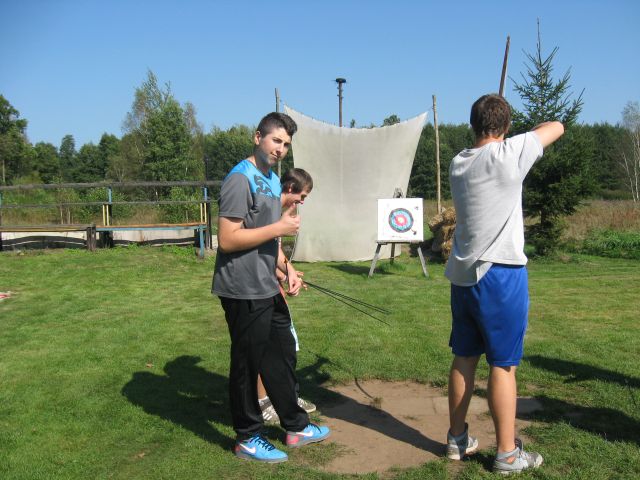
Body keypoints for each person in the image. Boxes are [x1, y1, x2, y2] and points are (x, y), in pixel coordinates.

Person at [444, 94, 564, 475]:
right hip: (501, 274)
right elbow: (556, 127)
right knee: (503, 364)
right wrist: (514, 136)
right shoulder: (510, 154)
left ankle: (457, 439)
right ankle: (507, 454)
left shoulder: (458, 162)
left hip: (463, 275)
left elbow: (494, 144)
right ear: (506, 127)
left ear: (473, 125)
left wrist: (505, 135)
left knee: (464, 357)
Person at [212, 113, 330, 463]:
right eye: (276, 140)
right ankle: (248, 437)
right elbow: (228, 239)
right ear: (257, 137)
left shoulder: (273, 179)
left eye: (286, 144)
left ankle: (295, 426)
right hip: (242, 287)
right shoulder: (240, 179)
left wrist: (288, 269)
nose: (280, 149)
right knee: (247, 364)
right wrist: (279, 228)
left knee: (281, 355)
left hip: (267, 284)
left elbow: (267, 238)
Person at [257, 168, 316, 425]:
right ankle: (263, 403)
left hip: (273, 288)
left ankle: (286, 398)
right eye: (301, 196)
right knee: (264, 349)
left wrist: (288, 273)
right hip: (259, 291)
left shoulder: (279, 213)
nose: (301, 202)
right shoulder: (270, 212)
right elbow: (261, 251)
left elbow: (274, 253)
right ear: (290, 188)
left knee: (286, 347)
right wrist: (283, 273)